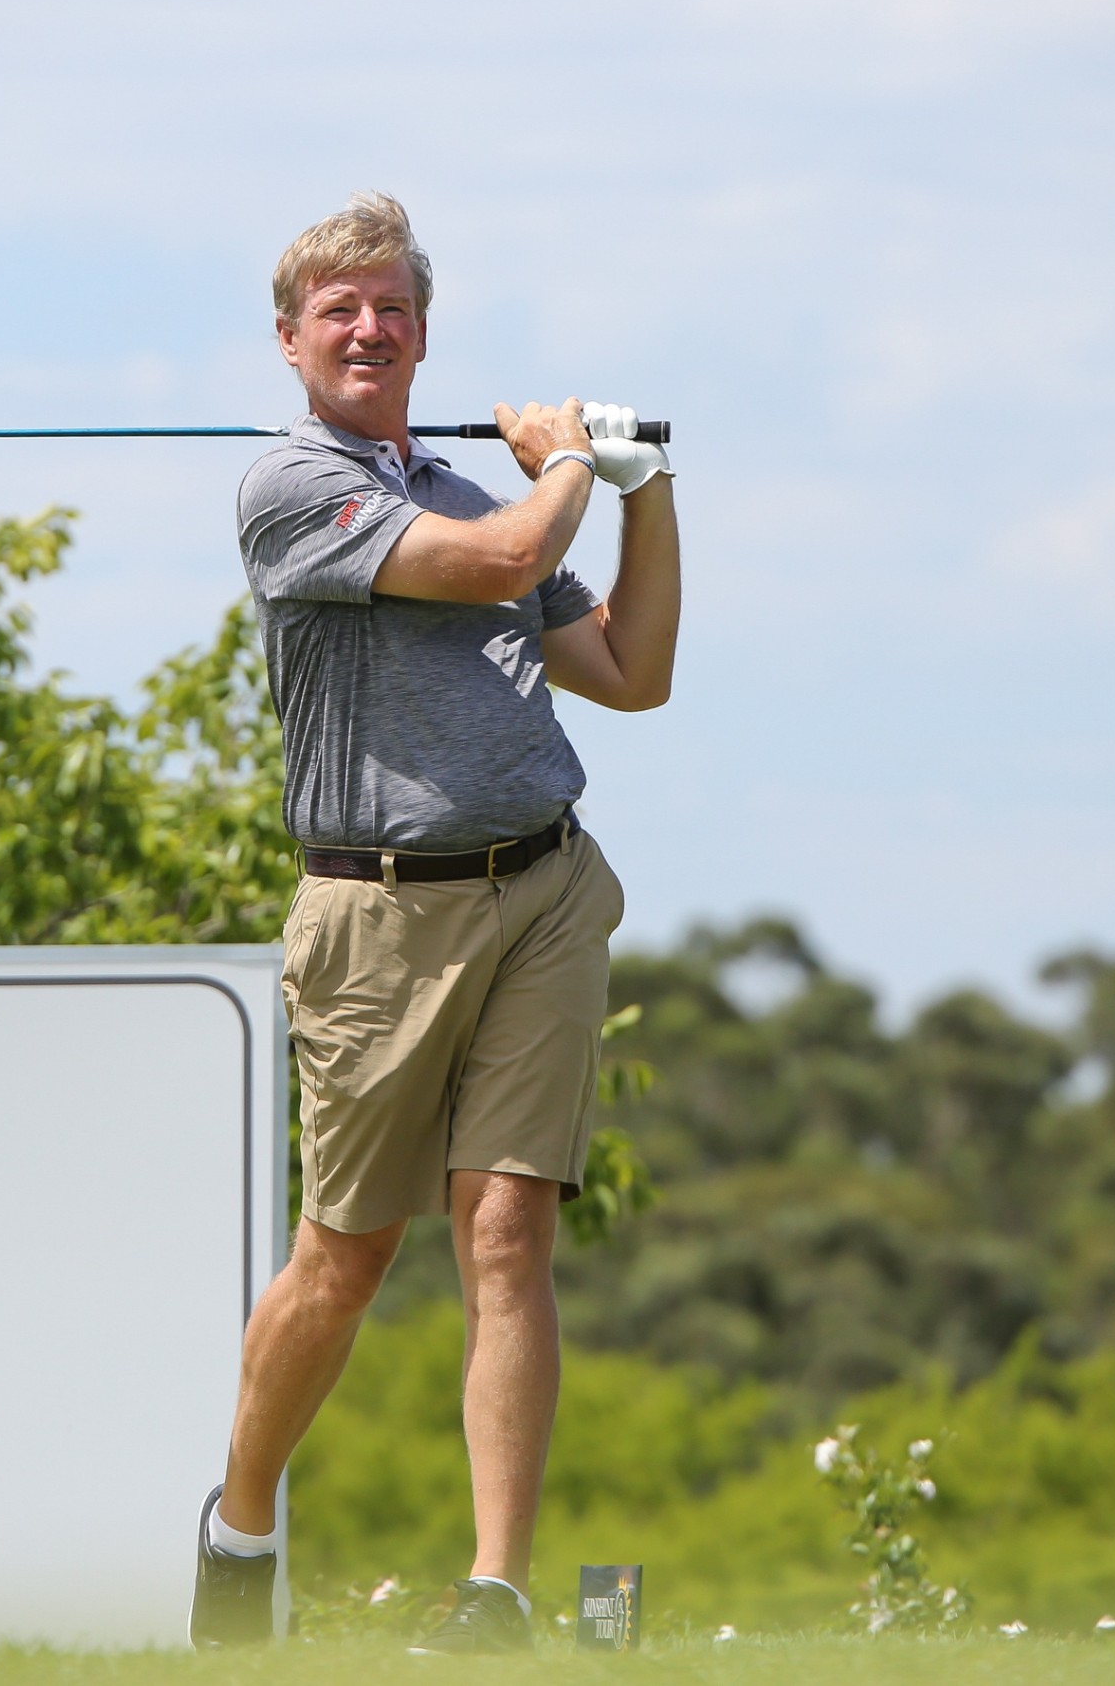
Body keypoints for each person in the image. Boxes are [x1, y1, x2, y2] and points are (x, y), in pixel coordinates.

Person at [191, 194, 681, 1653]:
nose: (367, 327)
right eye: (337, 309)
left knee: (510, 1231)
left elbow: (634, 670)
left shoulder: (489, 490)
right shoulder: (293, 488)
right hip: (376, 918)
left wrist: (646, 489)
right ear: (291, 341)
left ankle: (498, 1595)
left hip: (540, 886)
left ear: (421, 332)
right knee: (347, 1254)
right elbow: (494, 568)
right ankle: (241, 1520)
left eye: (390, 305)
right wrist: (576, 464)